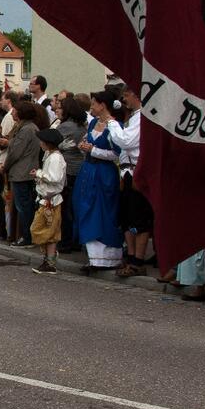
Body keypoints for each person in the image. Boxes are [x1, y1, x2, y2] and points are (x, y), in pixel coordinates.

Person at [74, 91, 123, 274]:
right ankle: (93, 257)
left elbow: (117, 153)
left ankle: (108, 258)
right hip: (88, 171)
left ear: (103, 105)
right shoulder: (94, 123)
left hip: (103, 172)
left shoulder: (115, 126)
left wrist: (93, 150)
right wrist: (85, 146)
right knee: (86, 209)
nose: (92, 107)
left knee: (102, 211)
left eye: (94, 104)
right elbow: (90, 142)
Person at [106, 85, 153, 277]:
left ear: (136, 95)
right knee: (126, 218)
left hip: (137, 172)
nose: (124, 100)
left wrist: (111, 122)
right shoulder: (133, 118)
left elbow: (127, 141)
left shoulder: (142, 117)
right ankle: (131, 256)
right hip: (126, 172)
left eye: (126, 96)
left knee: (139, 217)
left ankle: (137, 260)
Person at [2, 101, 40, 248]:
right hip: (24, 171)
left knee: (23, 206)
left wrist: (5, 167)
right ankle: (25, 235)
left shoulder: (26, 130)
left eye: (14, 110)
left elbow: (15, 152)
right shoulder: (26, 127)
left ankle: (27, 237)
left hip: (22, 172)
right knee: (24, 205)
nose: (12, 113)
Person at [30, 127, 66, 275]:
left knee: (46, 231)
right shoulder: (49, 155)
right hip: (45, 200)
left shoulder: (56, 158)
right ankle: (48, 259)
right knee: (45, 231)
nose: (40, 144)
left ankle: (50, 261)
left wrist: (39, 173)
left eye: (42, 141)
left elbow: (55, 177)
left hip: (52, 201)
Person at [55, 96, 87, 253]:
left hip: (67, 169)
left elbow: (51, 143)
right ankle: (76, 240)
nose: (57, 110)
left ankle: (66, 241)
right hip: (79, 169)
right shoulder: (81, 126)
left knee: (65, 207)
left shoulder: (65, 127)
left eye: (60, 107)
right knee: (74, 208)